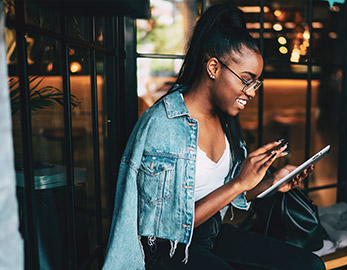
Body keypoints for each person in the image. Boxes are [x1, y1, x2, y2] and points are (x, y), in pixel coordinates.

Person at [102, 4, 326, 270]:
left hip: (211, 236)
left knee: (309, 265)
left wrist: (272, 182)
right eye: (246, 80)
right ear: (213, 68)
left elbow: (232, 194)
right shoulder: (163, 125)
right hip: (168, 251)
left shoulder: (226, 121)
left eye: (256, 83)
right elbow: (165, 228)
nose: (252, 92)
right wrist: (238, 183)